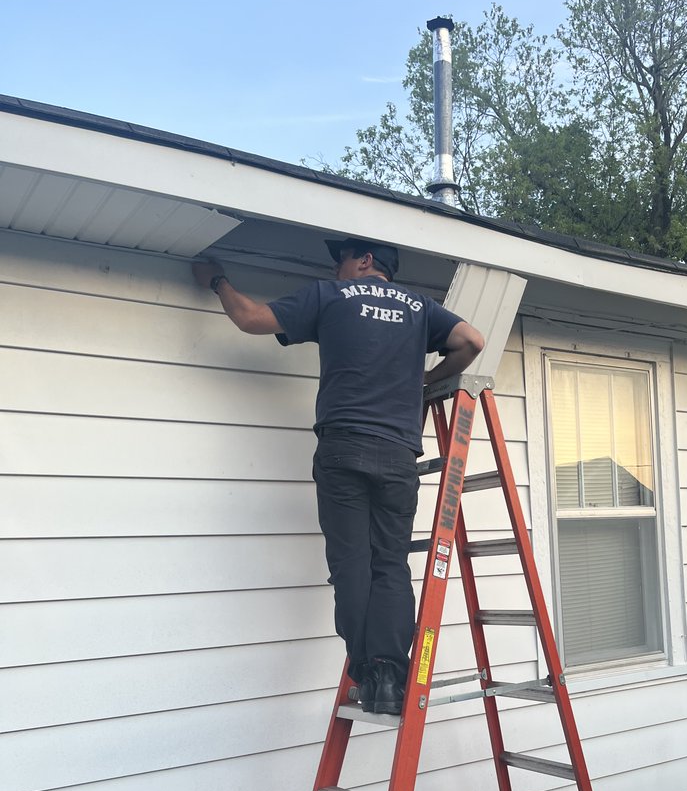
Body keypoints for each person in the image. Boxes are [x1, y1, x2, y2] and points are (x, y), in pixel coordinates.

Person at [192, 236, 484, 714]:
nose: (335, 271)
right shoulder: (420, 307)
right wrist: (422, 384)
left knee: (352, 563)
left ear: (364, 260)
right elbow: (472, 341)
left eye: (340, 261)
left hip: (344, 448)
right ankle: (391, 675)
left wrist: (217, 280)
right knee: (389, 562)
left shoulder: (329, 296)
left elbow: (250, 318)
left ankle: (368, 673)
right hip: (397, 454)